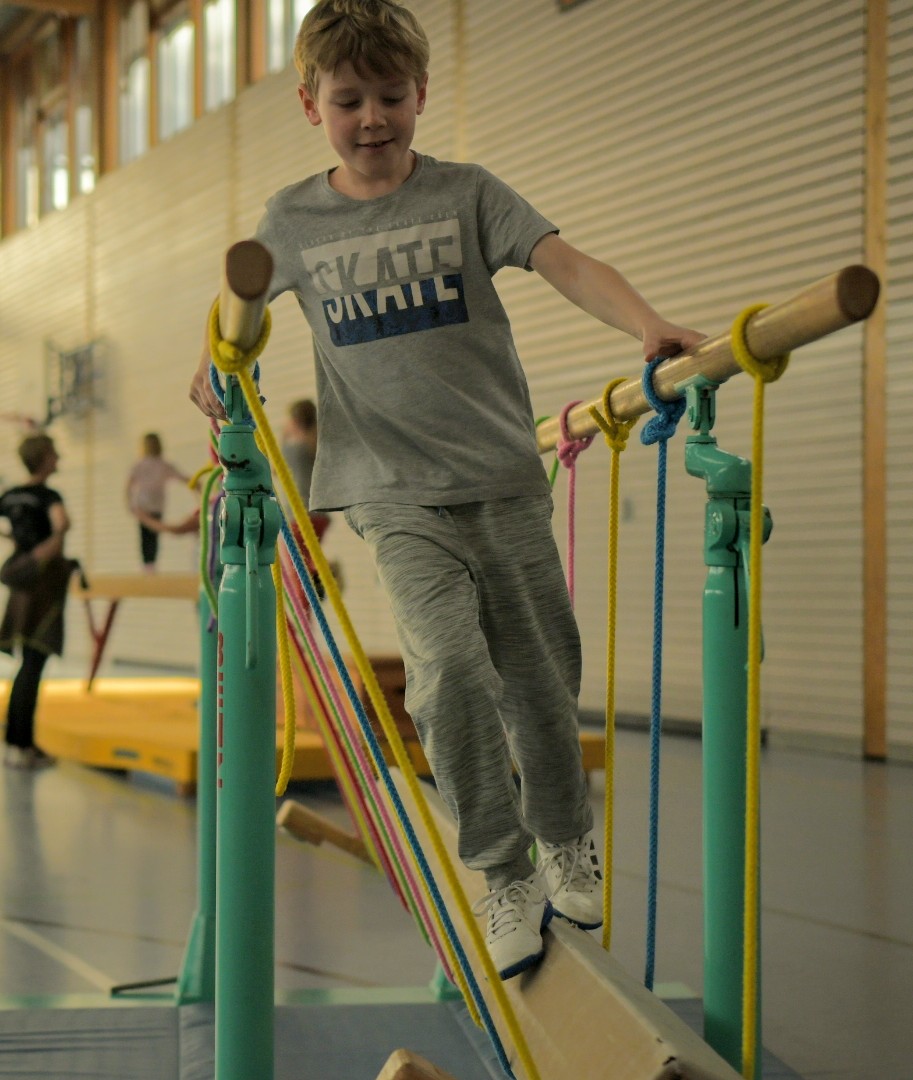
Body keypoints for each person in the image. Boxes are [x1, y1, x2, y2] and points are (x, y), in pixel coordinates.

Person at [189, 0, 705, 981]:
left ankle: (564, 837)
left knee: (541, 678)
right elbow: (238, 303)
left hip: (500, 475)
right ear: (311, 105)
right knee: (450, 675)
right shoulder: (292, 219)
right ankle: (502, 871)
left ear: (420, 93)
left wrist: (643, 322)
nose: (372, 117)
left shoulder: (466, 194)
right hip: (389, 492)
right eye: (350, 100)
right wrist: (212, 356)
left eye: (390, 96)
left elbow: (565, 263)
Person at [0, 434, 81, 769]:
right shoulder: (49, 496)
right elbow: (62, 525)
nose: (58, 458)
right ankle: (21, 744)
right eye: (54, 453)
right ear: (45, 458)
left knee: (28, 663)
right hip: (42, 585)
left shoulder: (10, 496)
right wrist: (47, 546)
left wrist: (18, 540)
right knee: (34, 663)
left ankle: (18, 742)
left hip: (22, 584)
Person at [125, 433, 190, 572]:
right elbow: (129, 485)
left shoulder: (161, 465)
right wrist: (129, 503)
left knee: (151, 536)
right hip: (145, 506)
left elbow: (181, 477)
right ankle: (148, 565)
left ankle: (150, 564)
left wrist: (194, 483)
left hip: (152, 506)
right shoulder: (143, 465)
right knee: (148, 536)